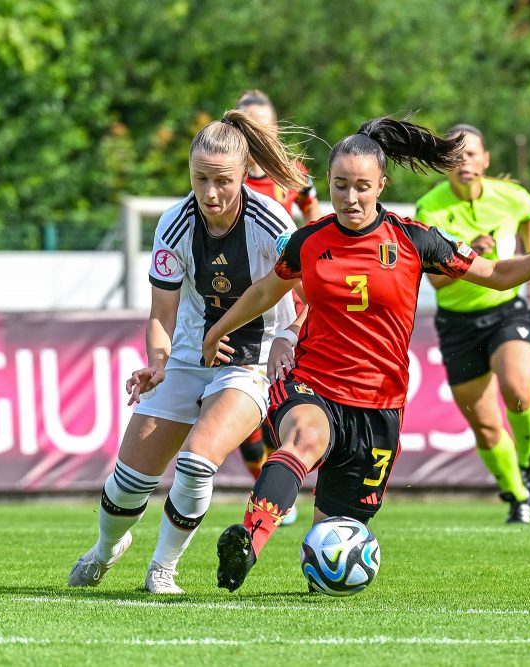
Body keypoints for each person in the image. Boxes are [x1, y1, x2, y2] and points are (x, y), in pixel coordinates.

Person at [203, 116, 530, 592]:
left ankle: (316, 569)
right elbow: (267, 290)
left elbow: (495, 273)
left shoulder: (415, 240)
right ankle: (247, 542)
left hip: (379, 404)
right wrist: (219, 330)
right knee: (303, 439)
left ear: (382, 185)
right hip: (314, 381)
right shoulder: (309, 242)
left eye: (362, 187)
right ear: (328, 183)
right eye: (339, 186)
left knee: (333, 543)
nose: (350, 199)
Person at [67, 108, 307, 594]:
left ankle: (162, 568)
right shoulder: (174, 223)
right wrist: (156, 362)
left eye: (222, 180)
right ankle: (107, 546)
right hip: (188, 356)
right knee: (129, 481)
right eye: (201, 179)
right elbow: (162, 312)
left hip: (251, 360)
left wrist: (288, 334)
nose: (211, 193)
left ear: (243, 176)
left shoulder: (274, 223)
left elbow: (313, 293)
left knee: (199, 461)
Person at [415, 123, 530, 524]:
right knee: (486, 425)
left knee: (517, 390)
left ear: (486, 160)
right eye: (455, 156)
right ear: (445, 166)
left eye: (472, 154)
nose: (465, 162)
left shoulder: (510, 197)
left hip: (506, 310)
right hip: (457, 322)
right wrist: (467, 254)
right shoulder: (430, 211)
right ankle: (516, 495)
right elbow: (436, 280)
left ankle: (529, 460)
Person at [232, 91, 318, 525]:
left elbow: (314, 218)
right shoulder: (224, 180)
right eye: (249, 126)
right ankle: (266, 487)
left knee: (280, 398)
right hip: (243, 302)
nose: (257, 134)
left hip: (287, 299)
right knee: (241, 418)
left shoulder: (295, 175)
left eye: (264, 125)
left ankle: (282, 486)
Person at [236, 89, 322, 226]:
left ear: (276, 130)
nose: (255, 135)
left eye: (263, 128)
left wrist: (306, 243)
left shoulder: (292, 172)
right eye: (248, 128)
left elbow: (311, 209)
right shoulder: (226, 177)